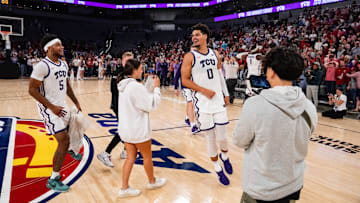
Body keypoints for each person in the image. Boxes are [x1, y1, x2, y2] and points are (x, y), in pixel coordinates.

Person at [233, 47, 318, 203]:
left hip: (261, 189)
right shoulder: (309, 107)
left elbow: (239, 141)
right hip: (293, 185)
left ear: (270, 72)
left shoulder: (254, 104)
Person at [28, 34, 82, 192]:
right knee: (63, 140)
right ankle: (54, 178)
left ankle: (72, 148)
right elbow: (32, 90)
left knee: (76, 125)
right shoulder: (42, 66)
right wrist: (52, 107)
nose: (62, 47)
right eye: (59, 45)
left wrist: (75, 101)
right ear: (49, 48)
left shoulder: (63, 64)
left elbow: (67, 85)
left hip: (61, 105)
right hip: (48, 108)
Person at [181, 24, 232, 186]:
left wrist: (226, 93)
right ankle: (217, 168)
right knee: (210, 138)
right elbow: (185, 80)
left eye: (197, 34)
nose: (194, 37)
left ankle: (224, 156)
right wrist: (203, 90)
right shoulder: (190, 56)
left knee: (223, 136)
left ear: (205, 36)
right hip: (202, 103)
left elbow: (219, 75)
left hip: (217, 101)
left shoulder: (215, 54)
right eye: (192, 35)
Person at [117, 59, 166, 197]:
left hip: (127, 129)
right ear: (135, 70)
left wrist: (146, 89)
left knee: (130, 158)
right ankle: (152, 181)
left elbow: (138, 100)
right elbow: (151, 105)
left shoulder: (124, 85)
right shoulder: (135, 86)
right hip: (138, 129)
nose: (142, 71)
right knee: (147, 157)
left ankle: (124, 188)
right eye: (140, 69)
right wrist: (156, 88)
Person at [97, 52, 133, 167]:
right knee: (123, 130)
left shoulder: (131, 73)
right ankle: (105, 153)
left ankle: (125, 151)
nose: (129, 63)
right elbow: (114, 91)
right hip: (119, 106)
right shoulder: (118, 73)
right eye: (127, 61)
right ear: (122, 61)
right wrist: (119, 107)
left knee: (129, 128)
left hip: (127, 106)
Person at [174, 60, 199, 134]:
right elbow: (177, 76)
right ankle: (193, 125)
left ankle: (187, 118)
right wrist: (176, 88)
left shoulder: (197, 64)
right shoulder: (183, 64)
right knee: (190, 102)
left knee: (191, 104)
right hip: (186, 87)